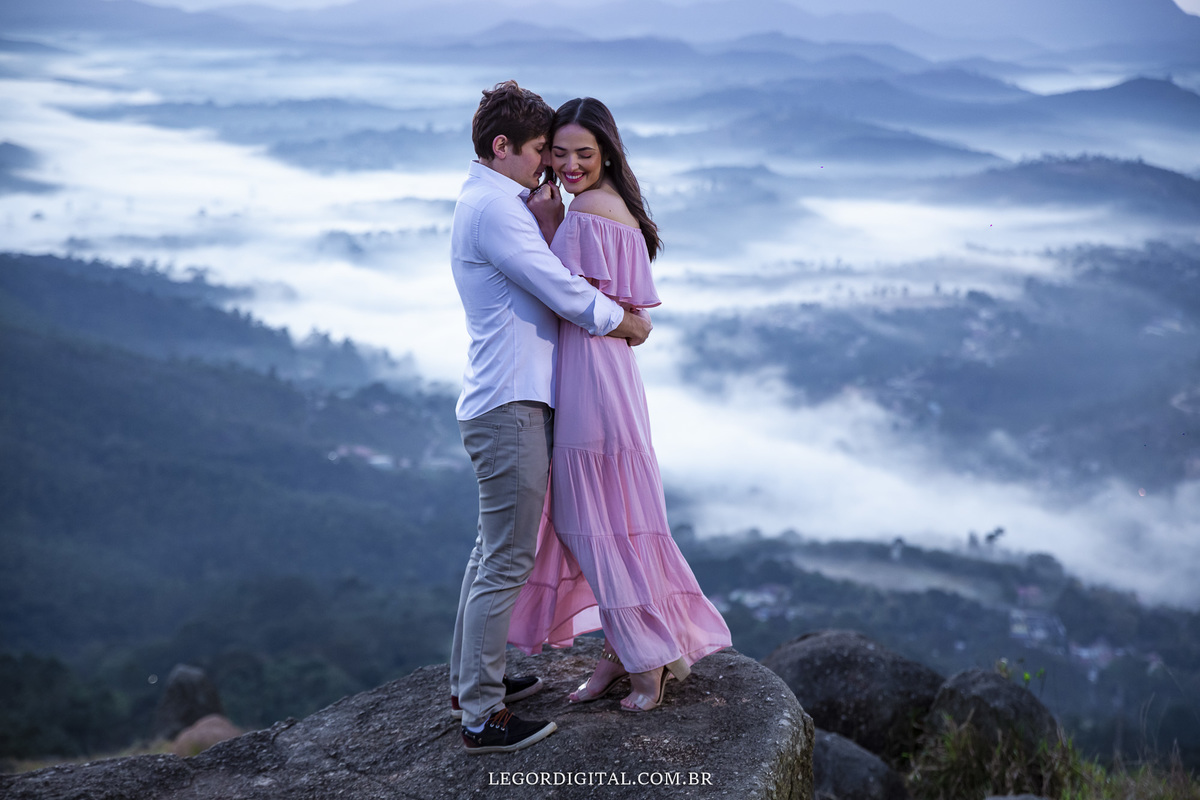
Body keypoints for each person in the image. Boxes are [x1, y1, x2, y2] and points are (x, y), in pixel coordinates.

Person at [448, 81, 653, 755]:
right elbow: (560, 288)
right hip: (510, 406)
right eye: (540, 150)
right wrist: (624, 321)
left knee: (491, 551)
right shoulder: (495, 210)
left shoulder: (491, 201)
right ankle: (482, 715)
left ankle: (476, 682)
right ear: (502, 146)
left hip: (504, 400)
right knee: (507, 556)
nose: (548, 165)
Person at [509, 97, 731, 712]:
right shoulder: (617, 208)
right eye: (559, 153)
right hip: (610, 375)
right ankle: (624, 652)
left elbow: (561, 295)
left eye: (584, 153)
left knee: (588, 522)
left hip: (591, 376)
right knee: (616, 521)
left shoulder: (586, 213)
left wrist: (548, 227)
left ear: (606, 152)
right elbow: (621, 311)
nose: (570, 165)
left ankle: (645, 660)